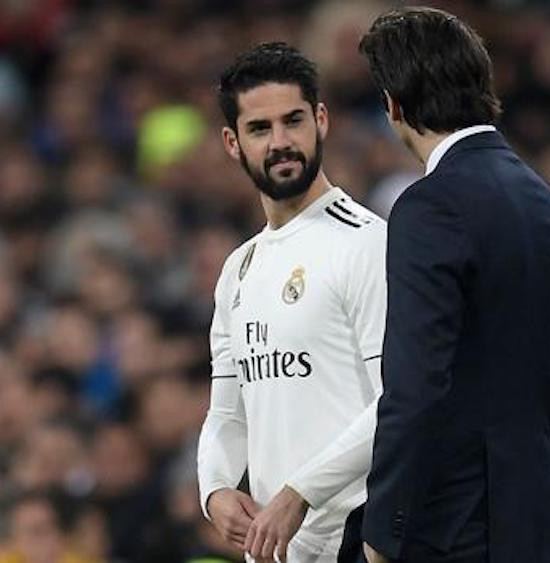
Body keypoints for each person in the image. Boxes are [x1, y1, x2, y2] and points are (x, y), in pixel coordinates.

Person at [350, 7, 550, 562]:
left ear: (394, 104)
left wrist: (386, 527)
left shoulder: (429, 207)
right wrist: (528, 486)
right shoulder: (543, 201)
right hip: (535, 522)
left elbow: (416, 383)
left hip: (451, 532)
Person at [196, 42, 387, 563]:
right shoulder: (239, 268)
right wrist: (213, 490)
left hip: (359, 539)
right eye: (260, 129)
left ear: (321, 120)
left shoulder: (368, 243)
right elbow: (226, 411)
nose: (281, 142)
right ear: (233, 143)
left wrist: (299, 492)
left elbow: (396, 401)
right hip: (278, 550)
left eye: (293, 121)